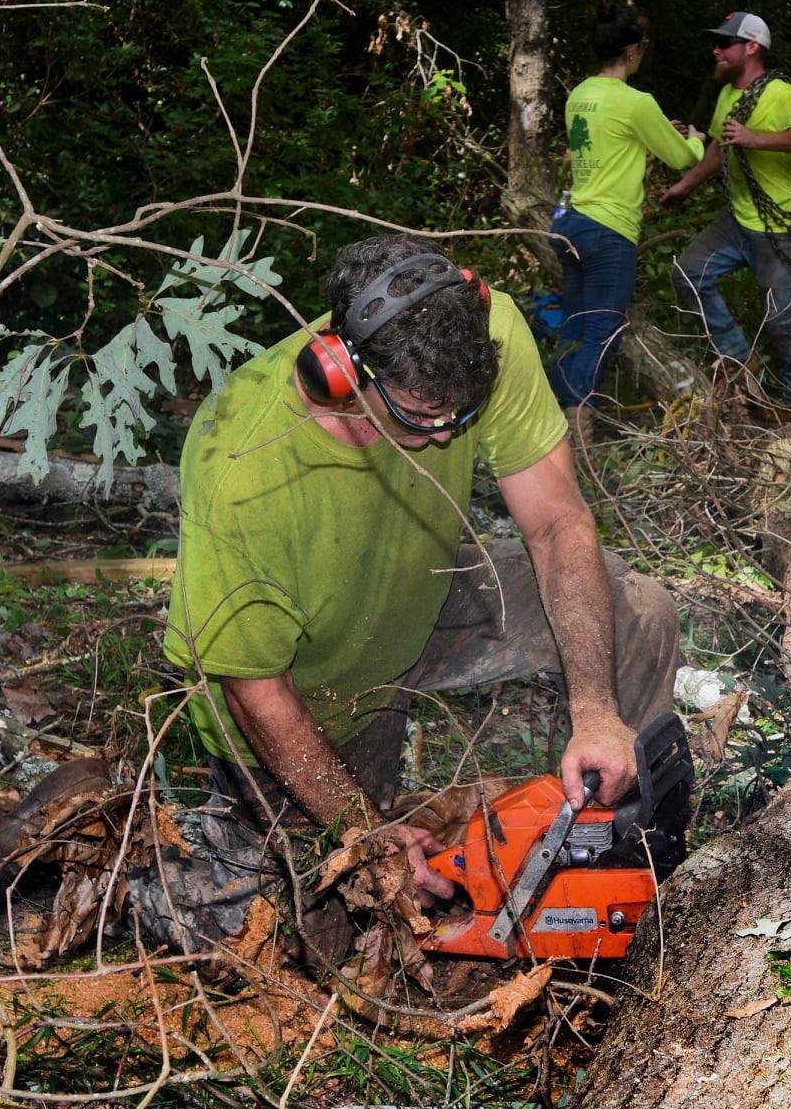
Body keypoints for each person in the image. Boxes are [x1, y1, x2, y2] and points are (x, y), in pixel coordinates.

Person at [149, 234, 683, 962]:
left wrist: (594, 708)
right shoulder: (243, 462)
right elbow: (256, 692)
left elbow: (558, 523)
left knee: (639, 609)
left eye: (465, 415)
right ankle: (163, 888)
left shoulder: (478, 333)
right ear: (341, 371)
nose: (446, 435)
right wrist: (365, 831)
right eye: (423, 415)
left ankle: (616, 871)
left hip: (419, 599)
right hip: (299, 694)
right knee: (306, 948)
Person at [661, 11, 791, 413]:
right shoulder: (727, 96)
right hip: (738, 221)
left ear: (752, 47)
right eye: (716, 43)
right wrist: (684, 186)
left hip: (780, 228)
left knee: (782, 323)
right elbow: (719, 148)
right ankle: (738, 361)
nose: (716, 50)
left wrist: (756, 137)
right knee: (688, 273)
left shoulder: (780, 94)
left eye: (725, 43)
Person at [550, 0, 704, 420]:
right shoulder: (637, 102)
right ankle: (577, 426)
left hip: (570, 224)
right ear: (633, 50)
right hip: (608, 231)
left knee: (575, 326)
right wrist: (696, 139)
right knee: (603, 329)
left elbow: (611, 139)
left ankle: (550, 419)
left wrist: (653, 132)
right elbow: (680, 158)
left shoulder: (579, 95)